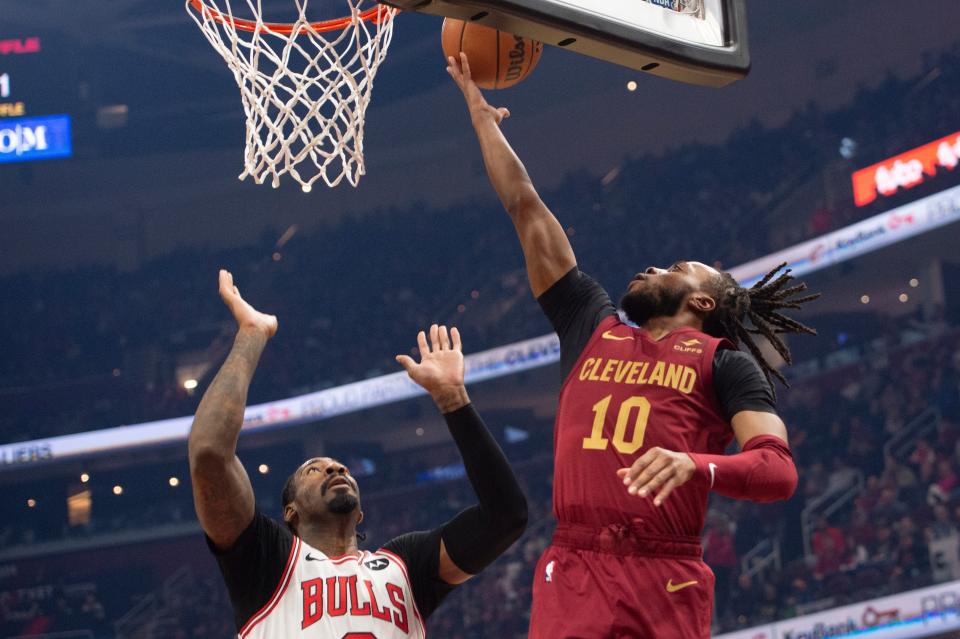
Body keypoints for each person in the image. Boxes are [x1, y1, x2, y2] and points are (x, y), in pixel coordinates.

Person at [447, 52, 818, 638]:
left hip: (664, 569)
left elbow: (778, 472)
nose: (652, 268)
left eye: (675, 268)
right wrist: (484, 122)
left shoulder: (727, 365)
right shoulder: (591, 324)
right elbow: (526, 209)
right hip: (575, 564)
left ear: (702, 302)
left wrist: (696, 464)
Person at [188, 270, 527, 638]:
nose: (335, 467)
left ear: (361, 513)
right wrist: (251, 335)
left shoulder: (406, 565)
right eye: (314, 469)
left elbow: (507, 517)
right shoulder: (267, 561)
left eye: (341, 468)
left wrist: (453, 400)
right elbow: (209, 452)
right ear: (290, 512)